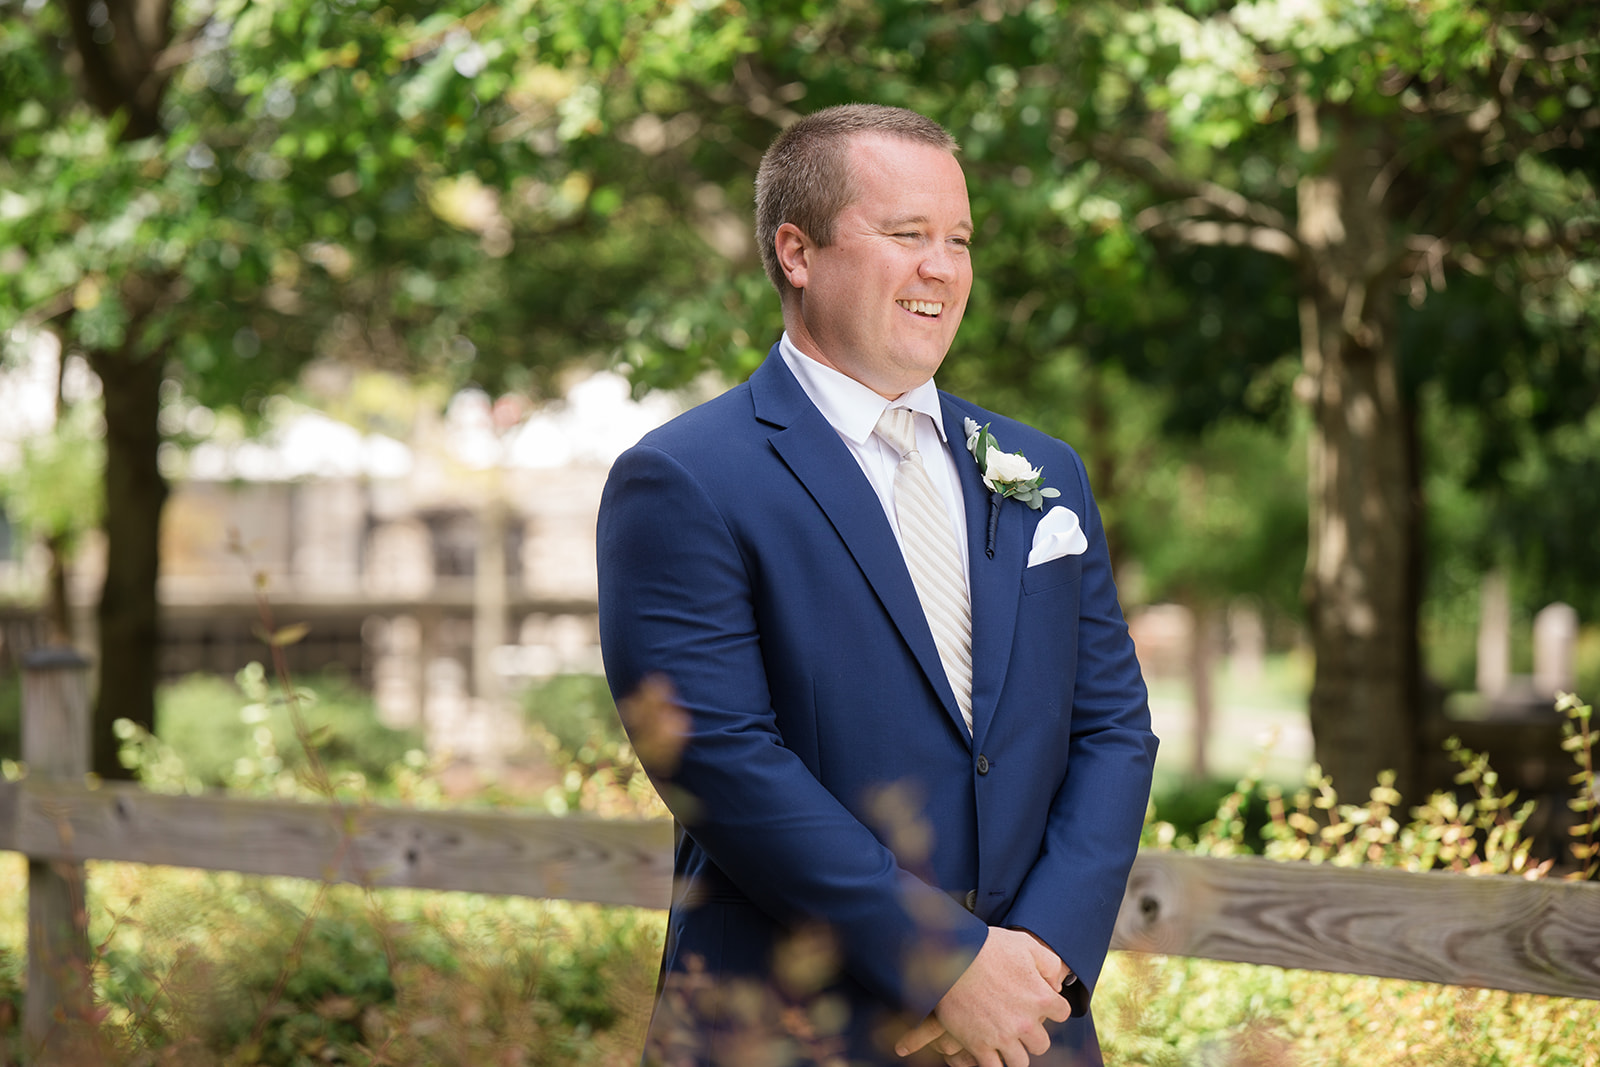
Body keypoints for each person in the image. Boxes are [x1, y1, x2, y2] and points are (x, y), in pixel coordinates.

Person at [597, 104, 1158, 1067]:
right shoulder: (684, 478)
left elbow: (1111, 727)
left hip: (1032, 1029)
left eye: (959, 239)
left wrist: (1040, 963)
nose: (942, 266)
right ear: (796, 252)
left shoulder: (1041, 468)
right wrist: (947, 963)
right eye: (906, 236)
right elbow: (723, 763)